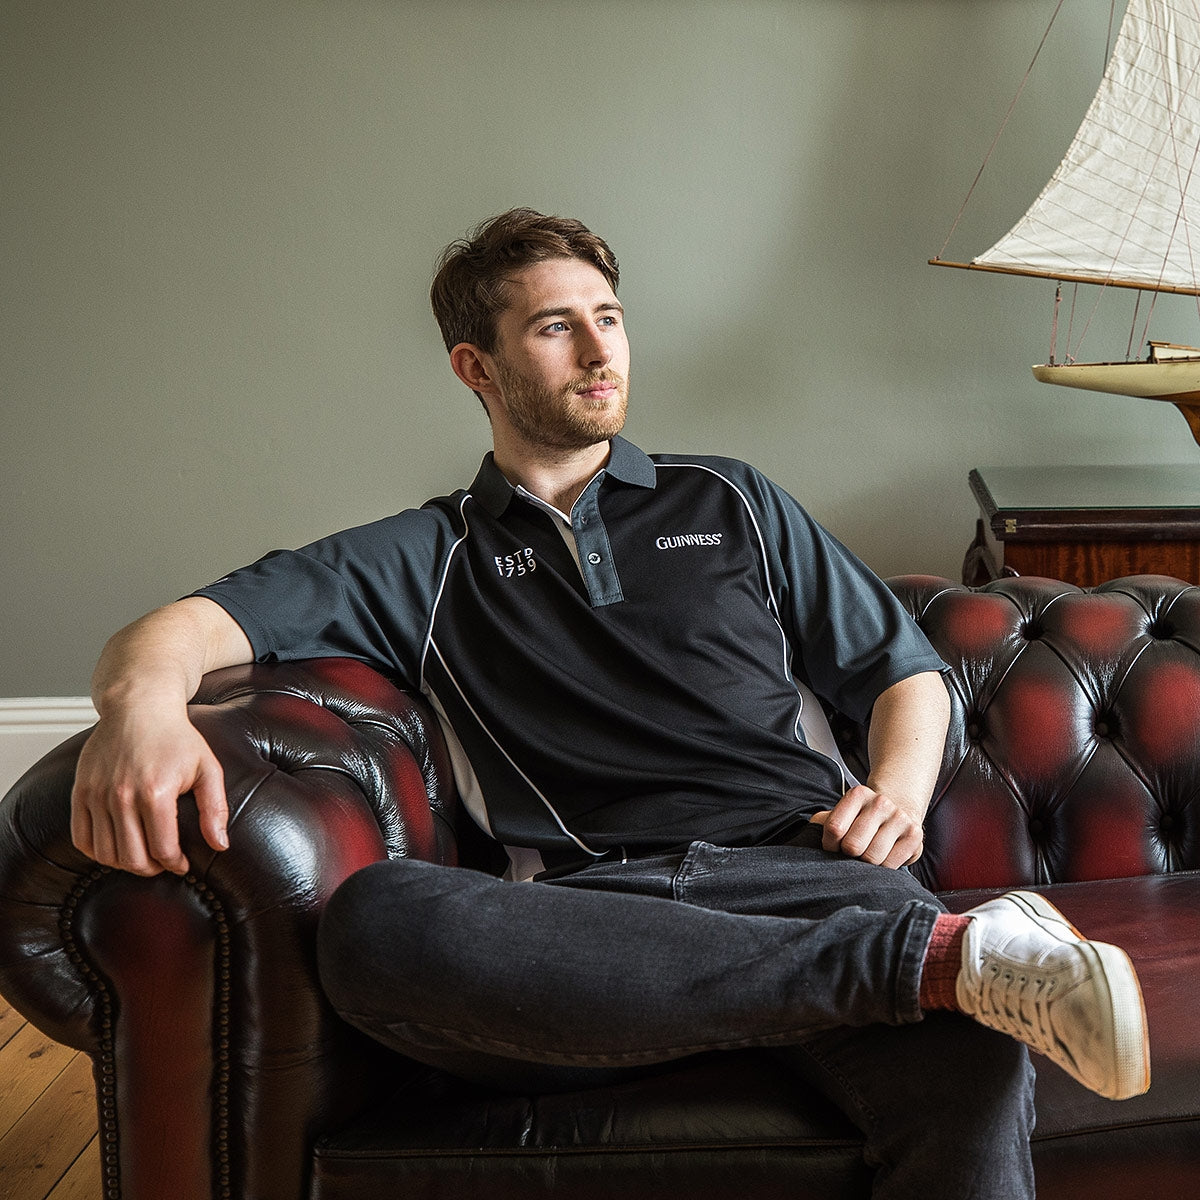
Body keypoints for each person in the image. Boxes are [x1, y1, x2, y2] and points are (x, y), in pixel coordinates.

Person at [71, 208, 1149, 1198]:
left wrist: (901, 795)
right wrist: (138, 715)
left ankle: (918, 962)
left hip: (820, 873)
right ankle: (930, 965)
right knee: (376, 925)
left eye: (610, 318)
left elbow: (902, 670)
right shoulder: (427, 554)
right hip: (604, 915)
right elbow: (171, 633)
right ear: (475, 366)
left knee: (968, 1059)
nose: (600, 352)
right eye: (556, 327)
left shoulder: (731, 497)